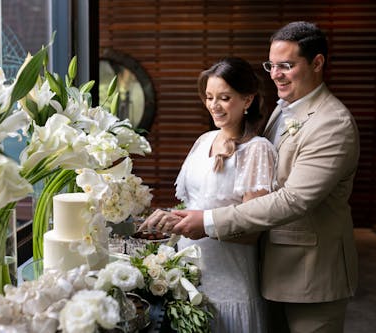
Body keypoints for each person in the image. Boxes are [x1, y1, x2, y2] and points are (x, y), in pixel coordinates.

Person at [144, 21, 360, 333]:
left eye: (286, 65)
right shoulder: (283, 109)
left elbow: (294, 199)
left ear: (317, 63)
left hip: (310, 275)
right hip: (265, 268)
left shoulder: (332, 123)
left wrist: (206, 221)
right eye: (271, 65)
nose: (275, 74)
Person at [144, 57, 277, 332]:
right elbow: (194, 204)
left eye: (225, 98)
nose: (214, 106)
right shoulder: (204, 140)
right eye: (209, 97)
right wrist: (169, 216)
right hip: (188, 280)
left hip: (230, 284)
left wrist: (203, 225)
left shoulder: (257, 151)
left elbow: (253, 229)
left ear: (247, 100)